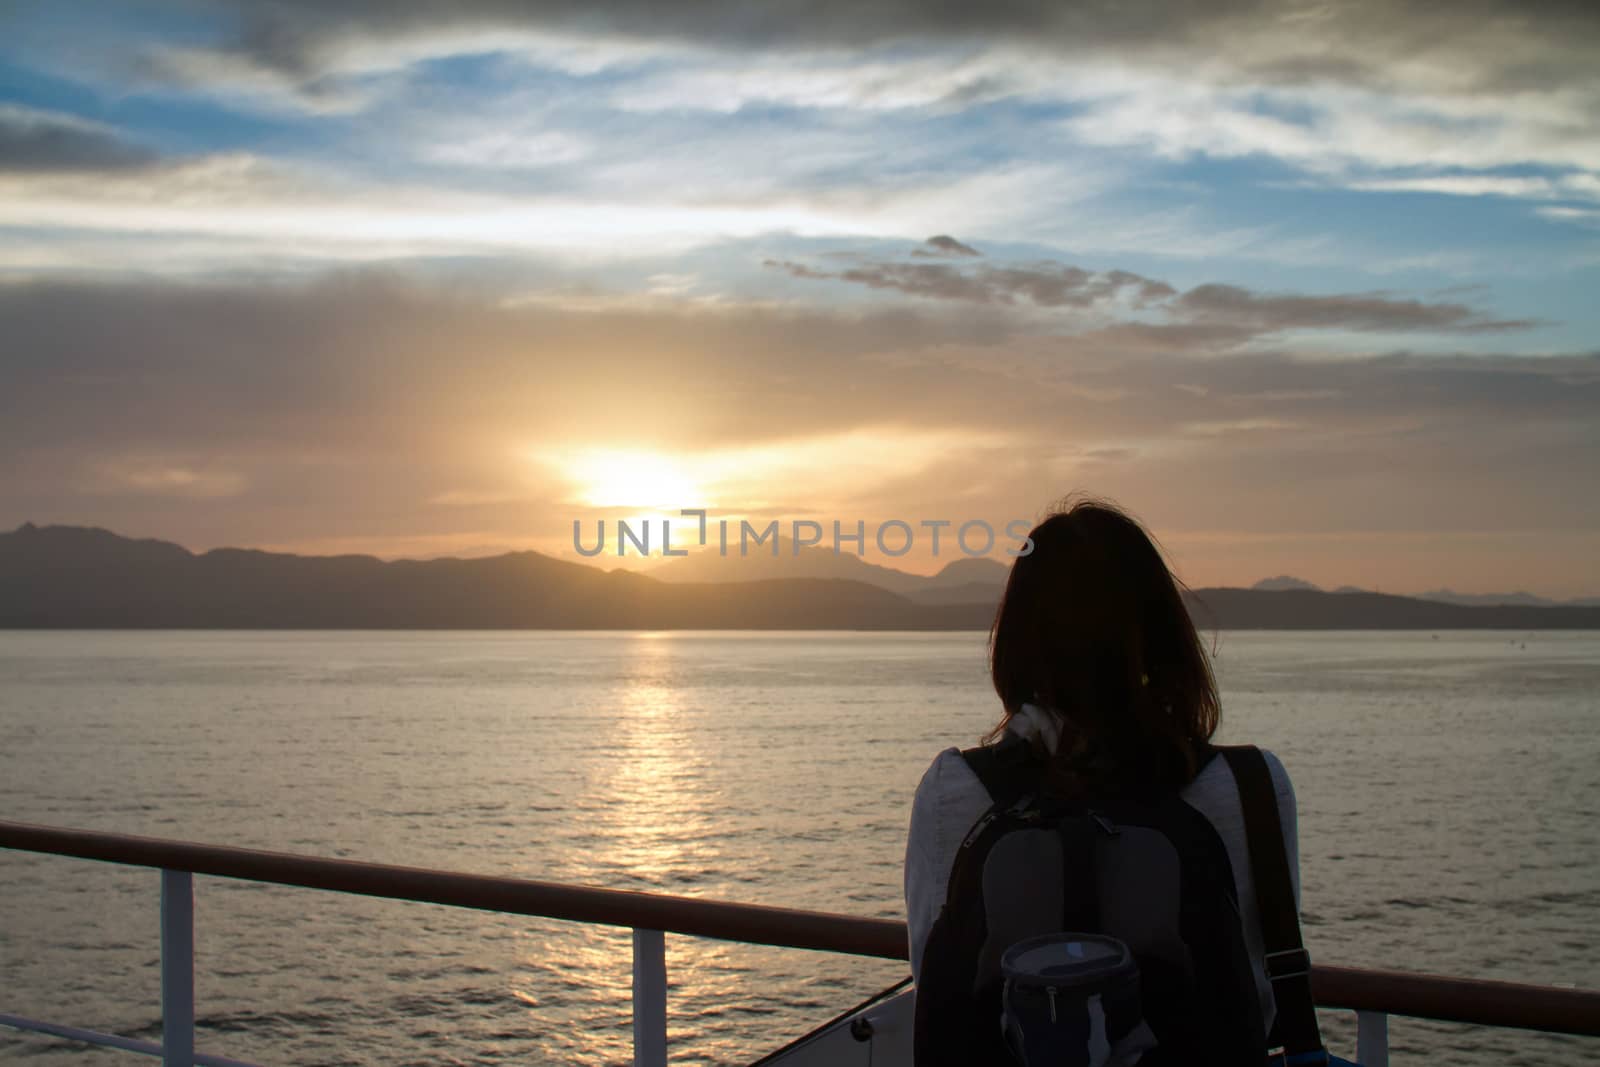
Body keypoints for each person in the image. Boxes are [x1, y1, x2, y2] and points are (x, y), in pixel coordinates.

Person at [903, 497, 1298, 1043]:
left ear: (1016, 641)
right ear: (1165, 635)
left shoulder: (957, 790)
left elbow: (938, 987)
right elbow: (1259, 999)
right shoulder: (1253, 788)